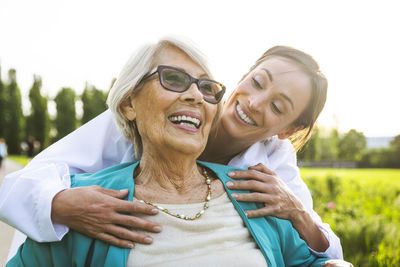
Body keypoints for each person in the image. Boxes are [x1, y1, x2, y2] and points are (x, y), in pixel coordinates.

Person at [7, 37, 350, 267]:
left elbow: (315, 251)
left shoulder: (273, 168)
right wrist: (62, 204)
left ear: (287, 131)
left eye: (277, 106)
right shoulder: (126, 125)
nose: (255, 102)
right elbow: (18, 186)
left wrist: (300, 215)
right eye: (257, 83)